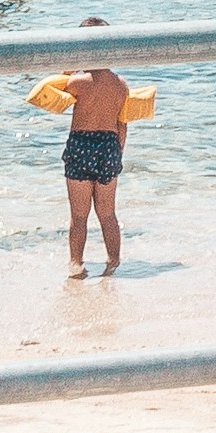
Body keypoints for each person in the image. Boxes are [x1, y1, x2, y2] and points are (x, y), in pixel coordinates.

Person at [57, 16, 132, 274]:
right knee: (107, 213)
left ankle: (76, 263)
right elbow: (122, 124)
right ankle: (113, 261)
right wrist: (117, 155)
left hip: (81, 145)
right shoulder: (121, 85)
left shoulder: (78, 82)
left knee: (79, 216)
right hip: (109, 147)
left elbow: (59, 82)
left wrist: (71, 66)